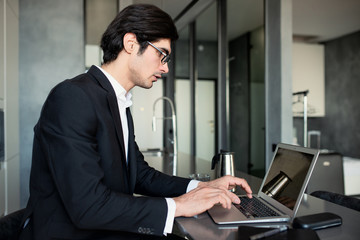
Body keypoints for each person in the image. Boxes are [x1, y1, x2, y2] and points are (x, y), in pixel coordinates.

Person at [19, 4, 252, 240]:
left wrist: (202, 188)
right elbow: (88, 206)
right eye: (161, 54)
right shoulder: (72, 97)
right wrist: (179, 205)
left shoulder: (117, 100)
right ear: (130, 43)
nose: (166, 67)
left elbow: (140, 175)